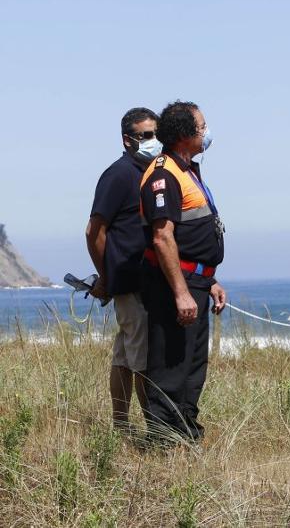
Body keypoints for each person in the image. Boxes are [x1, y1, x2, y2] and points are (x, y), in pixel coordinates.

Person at [138, 101, 227, 443]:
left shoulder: (188, 168)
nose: (207, 133)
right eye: (202, 127)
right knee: (170, 366)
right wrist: (180, 292)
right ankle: (161, 444)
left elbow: (191, 235)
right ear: (185, 135)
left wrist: (210, 278)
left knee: (192, 368)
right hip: (176, 284)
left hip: (198, 280)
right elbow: (162, 237)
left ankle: (186, 435)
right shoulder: (163, 174)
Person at [85, 106, 160, 430]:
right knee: (141, 358)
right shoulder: (119, 174)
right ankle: (153, 431)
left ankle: (121, 427)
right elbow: (94, 231)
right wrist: (108, 276)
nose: (154, 141)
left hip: (143, 281)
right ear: (127, 140)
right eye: (146, 135)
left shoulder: (150, 172)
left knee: (125, 356)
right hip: (130, 282)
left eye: (156, 134)